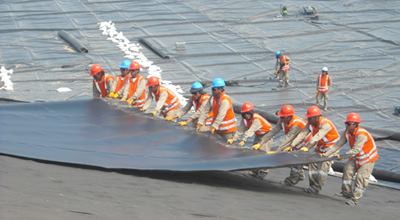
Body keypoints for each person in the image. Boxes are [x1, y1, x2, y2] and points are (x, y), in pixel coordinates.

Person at [327, 113, 379, 206]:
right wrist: (326, 155)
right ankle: (346, 193)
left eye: (348, 124)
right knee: (347, 171)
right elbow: (337, 145)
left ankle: (354, 199)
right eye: (346, 123)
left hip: (367, 158)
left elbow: (356, 149)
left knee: (361, 178)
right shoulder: (346, 133)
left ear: (355, 124)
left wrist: (342, 156)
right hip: (356, 156)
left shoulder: (361, 134)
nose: (346, 125)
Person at [289, 106, 340, 195]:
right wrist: (292, 145)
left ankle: (317, 188)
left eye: (310, 118)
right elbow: (302, 134)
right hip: (321, 147)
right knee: (312, 165)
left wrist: (307, 147)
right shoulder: (310, 124)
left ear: (316, 117)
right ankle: (312, 186)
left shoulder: (326, 124)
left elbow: (317, 137)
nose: (308, 120)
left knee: (323, 168)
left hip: (331, 149)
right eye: (308, 118)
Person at [258, 105, 312, 186]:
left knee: (295, 159)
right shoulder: (282, 120)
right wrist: (261, 142)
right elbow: (274, 131)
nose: (281, 119)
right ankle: (299, 175)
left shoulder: (296, 124)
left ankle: (292, 180)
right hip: (293, 141)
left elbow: (288, 138)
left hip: (303, 142)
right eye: (280, 117)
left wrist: (278, 151)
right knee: (291, 159)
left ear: (289, 117)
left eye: (283, 117)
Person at [227, 102, 272, 179]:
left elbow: (250, 131)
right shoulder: (244, 120)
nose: (246, 115)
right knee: (255, 152)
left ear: (251, 113)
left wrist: (243, 141)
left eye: (248, 113)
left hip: (267, 135)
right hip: (259, 134)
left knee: (263, 153)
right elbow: (240, 130)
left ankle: (264, 171)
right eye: (245, 114)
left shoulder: (256, 119)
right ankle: (254, 171)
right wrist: (233, 139)